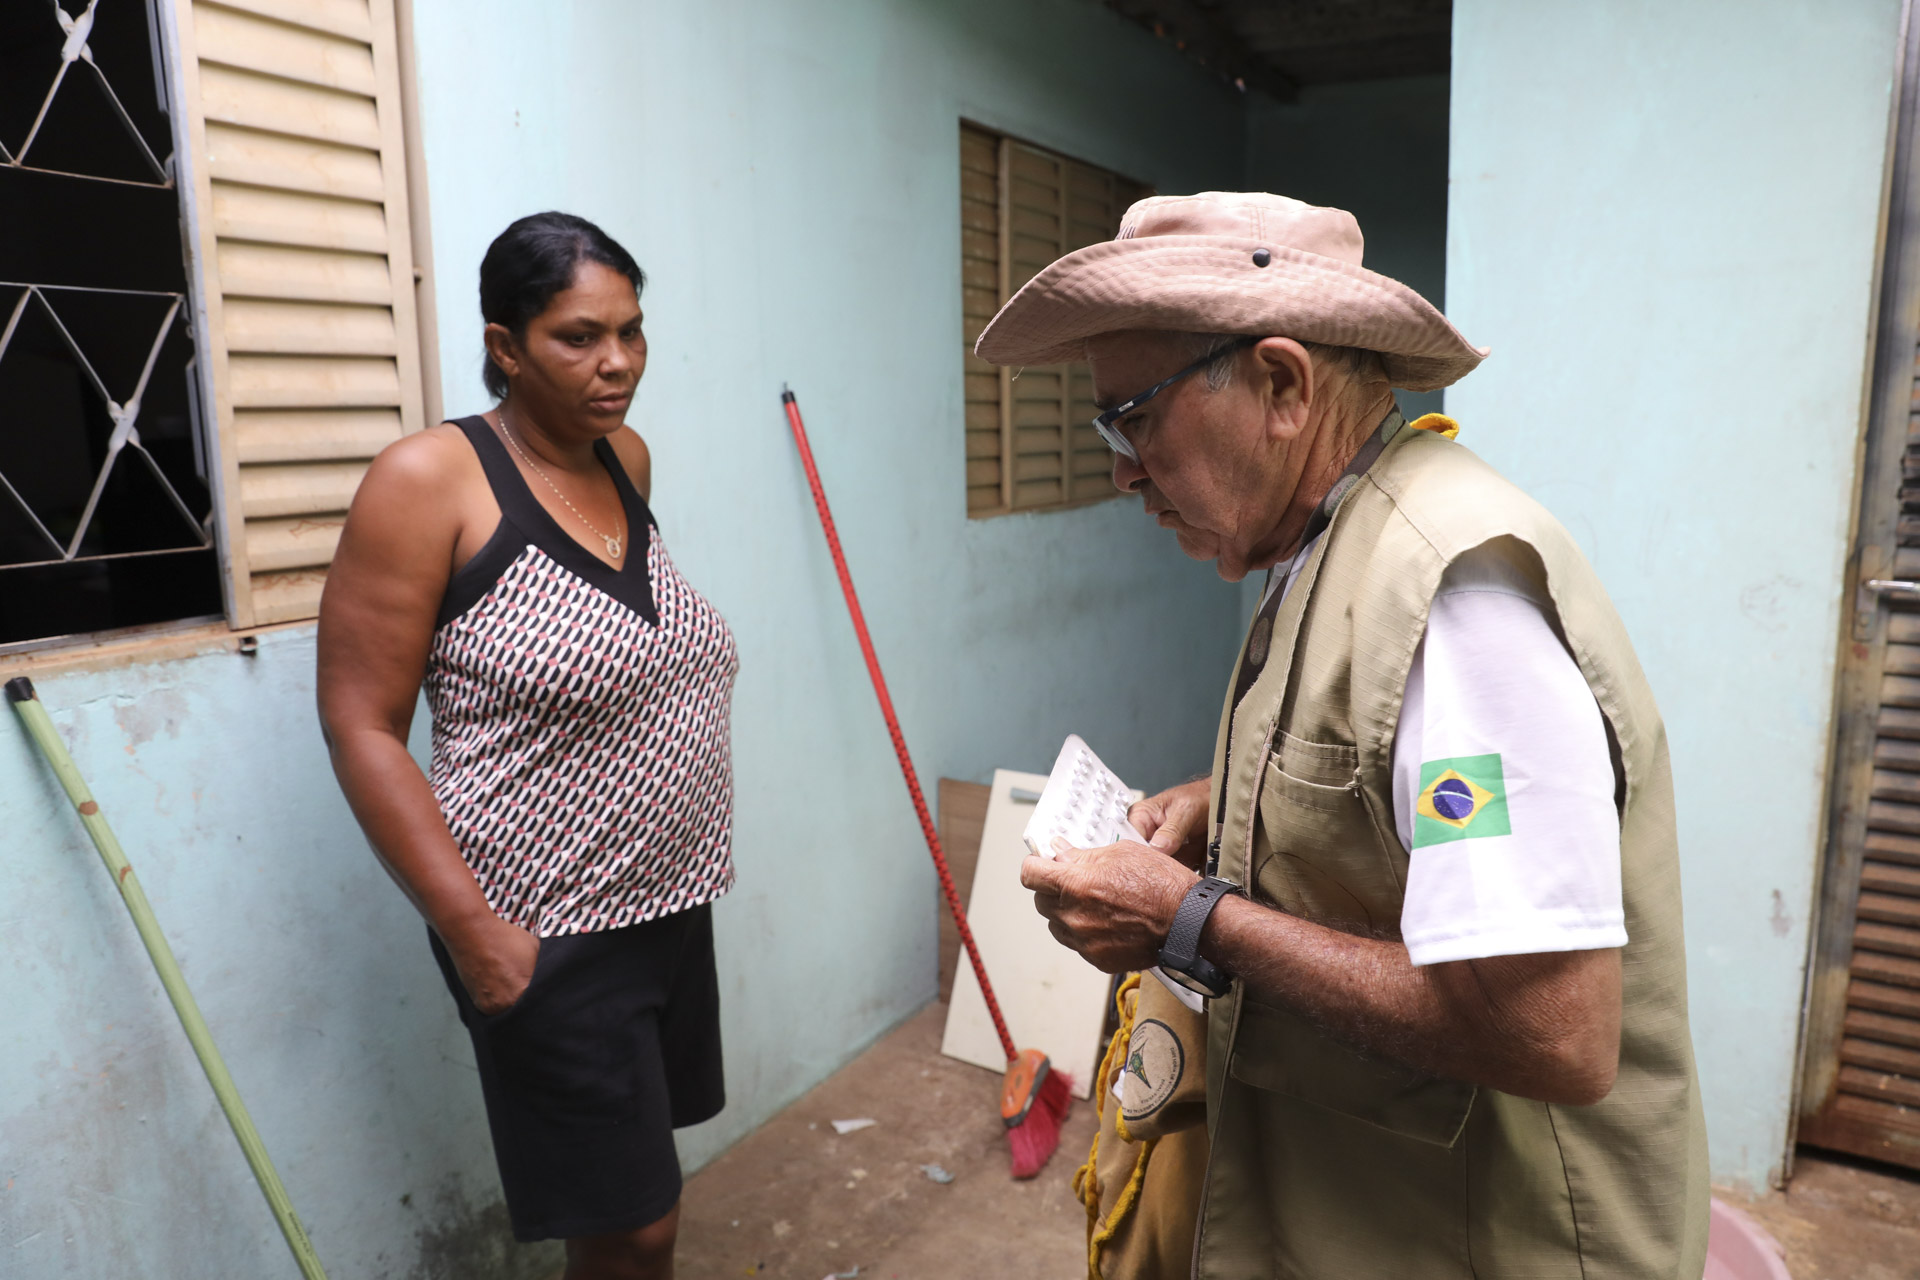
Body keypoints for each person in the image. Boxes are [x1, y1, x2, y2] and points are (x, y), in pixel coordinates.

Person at [982, 193, 1709, 1278]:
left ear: (1281, 385)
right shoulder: (1328, 541)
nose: (1122, 470)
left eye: (1134, 417)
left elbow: (1555, 1033)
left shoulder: (1455, 604)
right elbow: (1373, 783)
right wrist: (1218, 803)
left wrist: (1191, 919)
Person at [317, 211, 737, 1280]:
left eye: (633, 332)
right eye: (579, 336)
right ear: (505, 344)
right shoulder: (428, 481)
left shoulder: (624, 460)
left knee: (635, 1201)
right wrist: (474, 932)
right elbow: (362, 723)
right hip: (538, 924)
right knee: (635, 1224)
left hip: (665, 904)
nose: (618, 363)